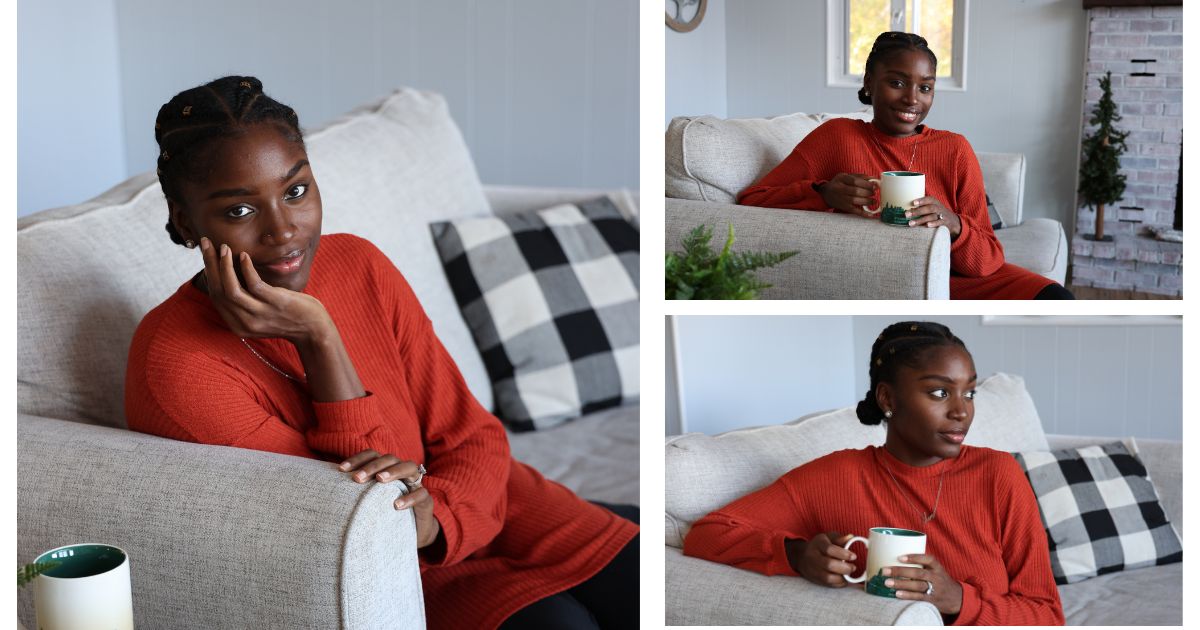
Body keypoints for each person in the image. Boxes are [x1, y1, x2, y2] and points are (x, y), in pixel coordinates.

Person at [124, 76, 639, 630]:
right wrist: (319, 338)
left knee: (656, 590)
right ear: (185, 220)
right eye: (240, 211)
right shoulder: (176, 366)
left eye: (295, 192)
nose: (284, 230)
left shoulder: (358, 263)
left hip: (498, 507)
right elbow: (353, 523)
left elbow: (473, 436)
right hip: (403, 579)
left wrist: (438, 519)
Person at [682, 321, 1065, 625]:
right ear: (887, 398)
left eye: (969, 393)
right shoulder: (835, 477)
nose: (961, 411)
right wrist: (796, 555)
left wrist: (957, 599)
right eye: (939, 392)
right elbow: (708, 534)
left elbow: (1047, 616)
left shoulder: (998, 476)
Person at [737, 32, 1073, 300]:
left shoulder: (954, 149)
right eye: (897, 83)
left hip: (956, 278)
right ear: (869, 82)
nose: (913, 99)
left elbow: (987, 259)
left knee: (1056, 298)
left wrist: (954, 224)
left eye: (925, 87)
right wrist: (823, 193)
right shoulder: (836, 136)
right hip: (883, 277)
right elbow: (753, 199)